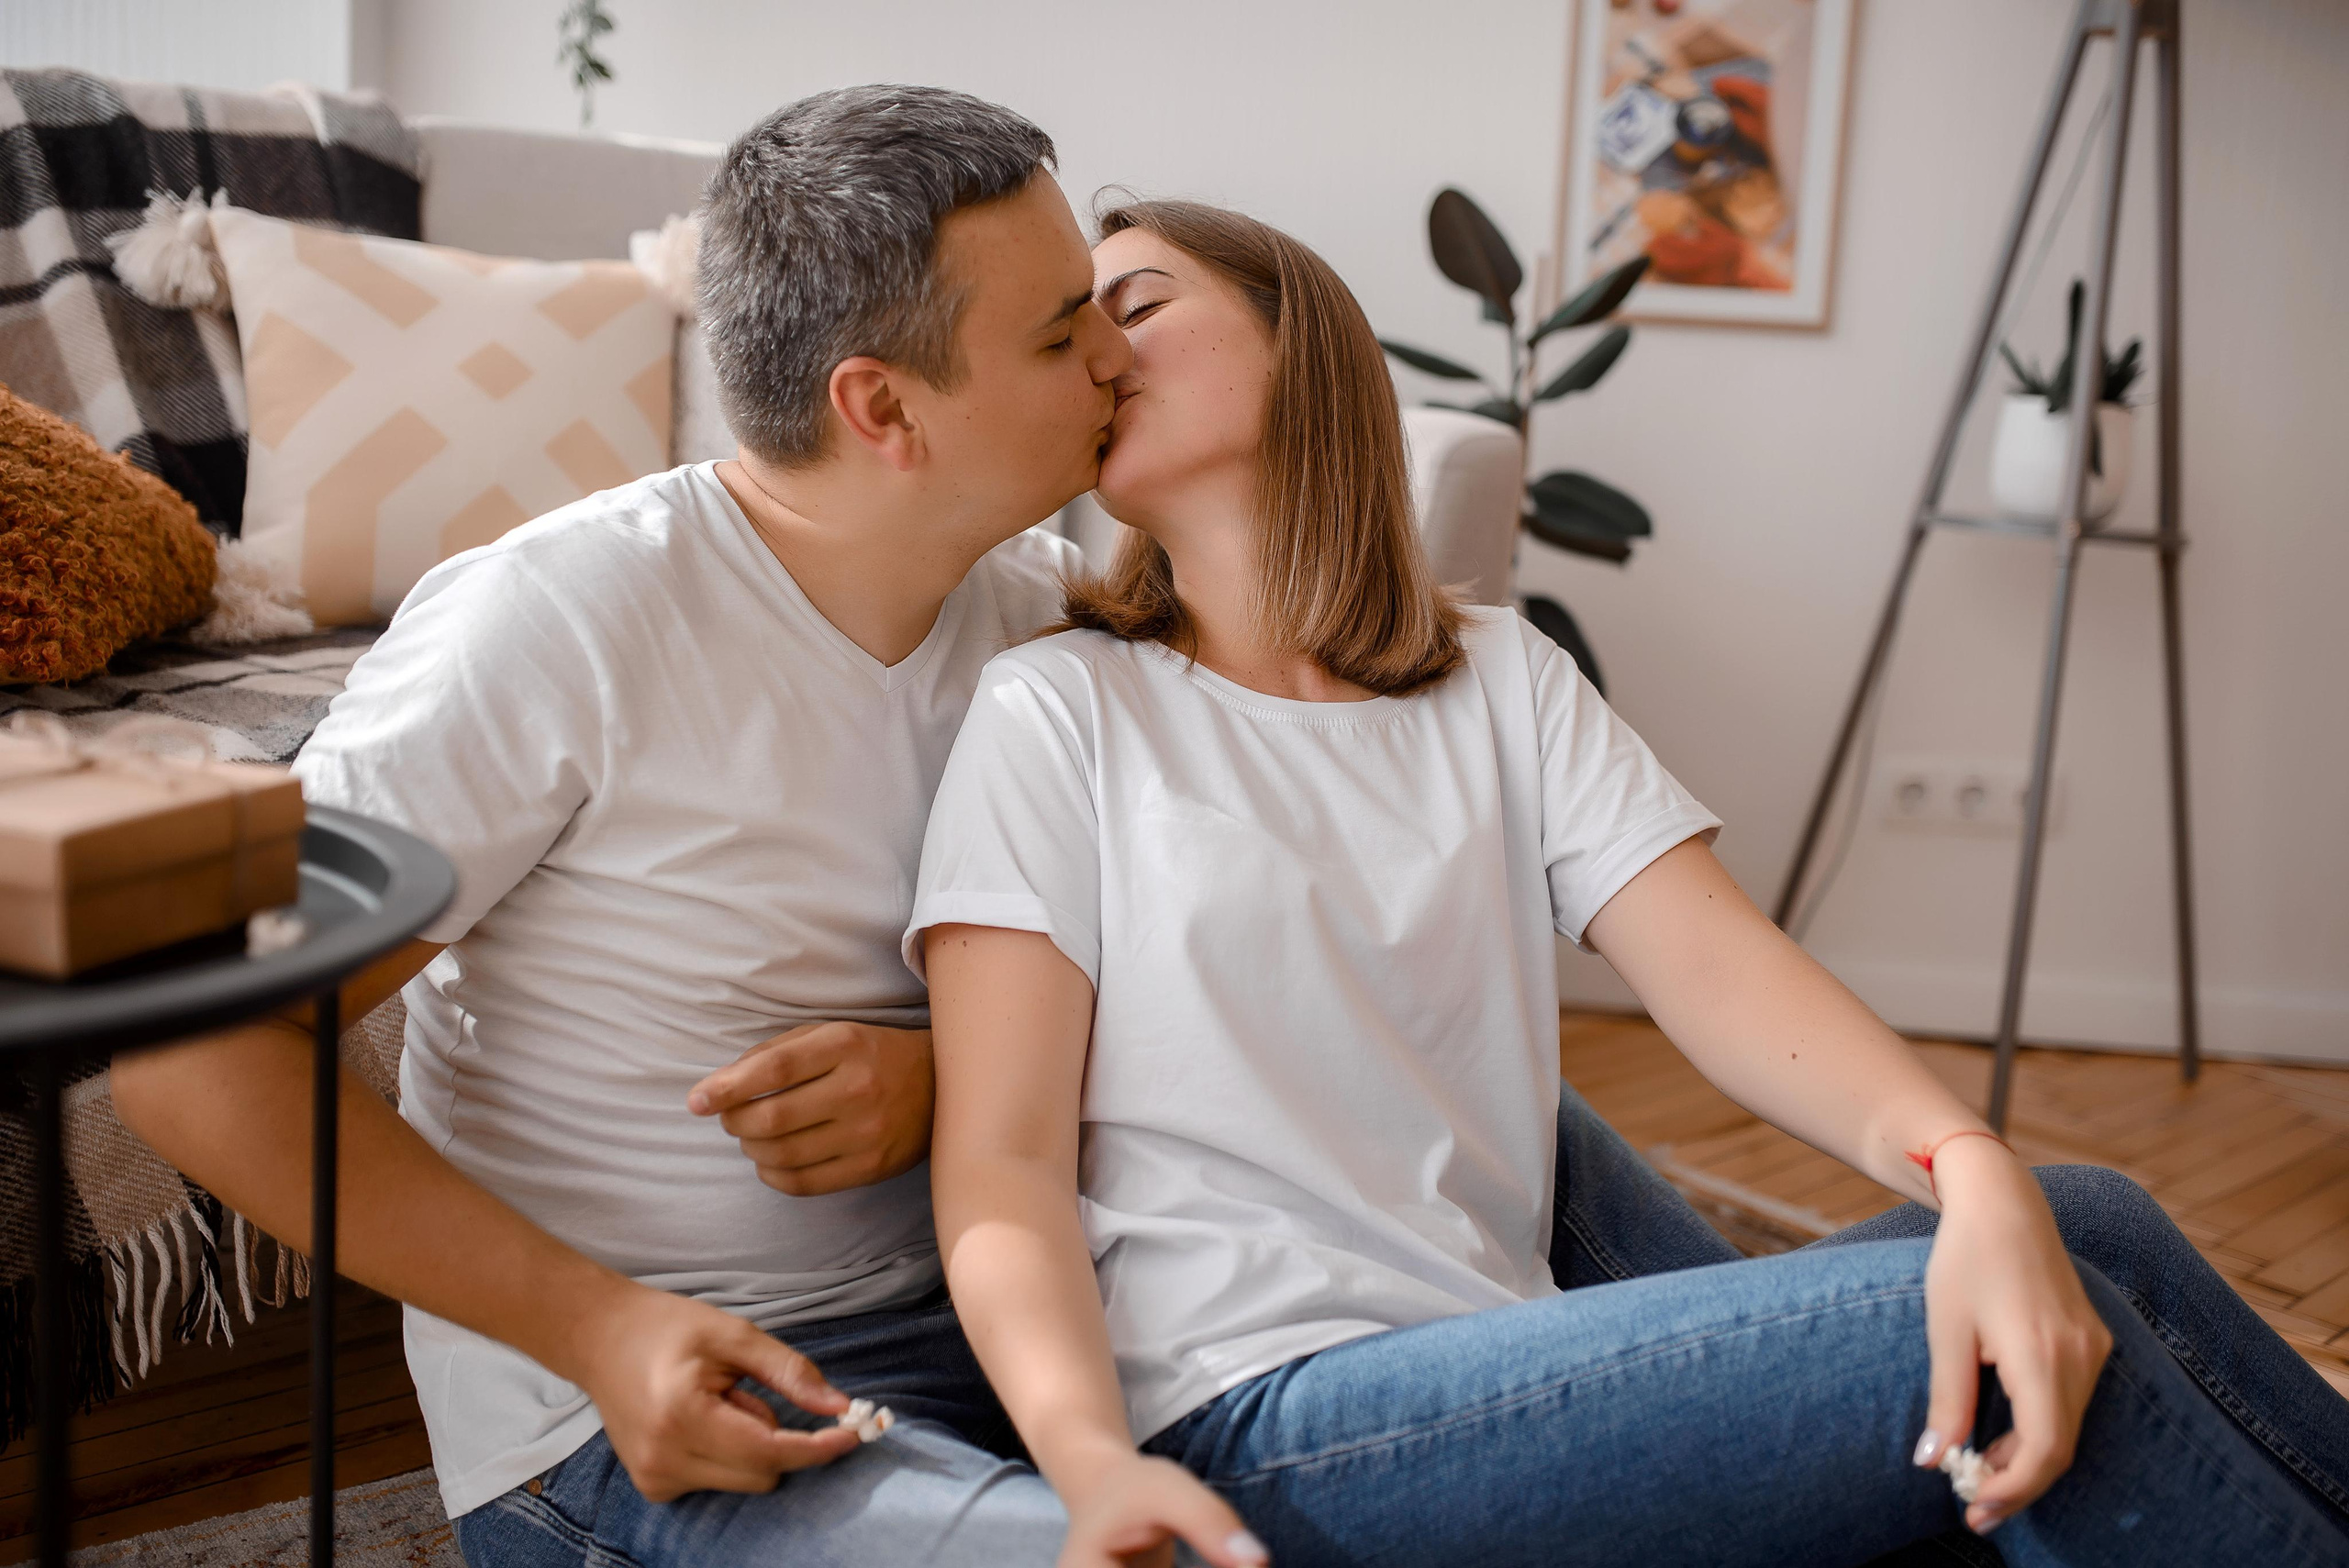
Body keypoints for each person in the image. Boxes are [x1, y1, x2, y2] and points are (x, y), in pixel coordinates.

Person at [911, 199, 2349, 1568]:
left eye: (1137, 302)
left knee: (2073, 1215)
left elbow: (1720, 972)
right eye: (1077, 324)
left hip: (1508, 1362)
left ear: (1303, 340)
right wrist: (1091, 1462)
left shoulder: (1497, 675)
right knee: (1984, 1324)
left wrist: (1966, 1160)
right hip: (1259, 1410)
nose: (1097, 345)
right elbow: (1002, 1163)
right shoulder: (1060, 709)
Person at [111, 85, 1133, 1565]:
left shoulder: (1044, 616)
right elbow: (191, 1053)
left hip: (1023, 1322)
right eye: (1059, 332)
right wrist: (601, 1328)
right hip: (652, 1406)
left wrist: (948, 1079)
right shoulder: (554, 622)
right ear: (882, 408)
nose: (1117, 356)